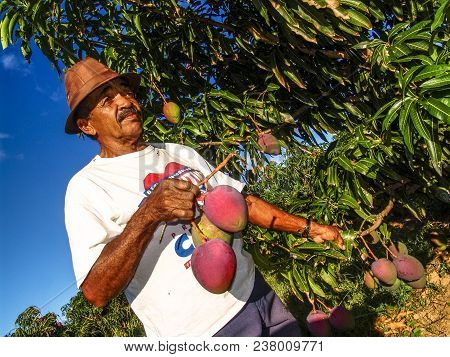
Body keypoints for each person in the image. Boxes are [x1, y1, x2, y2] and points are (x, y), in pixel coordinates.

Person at [64, 57, 344, 337]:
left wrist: (309, 228)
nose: (125, 102)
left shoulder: (178, 152)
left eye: (126, 92)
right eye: (106, 100)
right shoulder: (86, 187)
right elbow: (96, 291)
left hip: (256, 294)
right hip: (202, 333)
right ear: (87, 125)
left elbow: (240, 203)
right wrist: (148, 214)